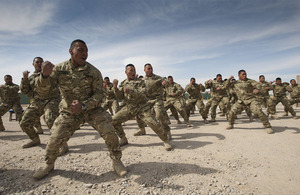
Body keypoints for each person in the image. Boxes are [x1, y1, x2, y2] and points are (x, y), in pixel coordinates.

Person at [32, 39, 126, 180]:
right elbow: (43, 91)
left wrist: (83, 105)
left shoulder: (93, 72)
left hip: (92, 109)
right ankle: (49, 164)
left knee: (109, 130)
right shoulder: (58, 69)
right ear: (71, 51)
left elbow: (100, 94)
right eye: (81, 50)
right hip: (70, 111)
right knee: (54, 139)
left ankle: (116, 161)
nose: (84, 53)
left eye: (86, 51)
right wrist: (44, 76)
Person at [111, 64, 172, 151]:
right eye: (130, 70)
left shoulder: (140, 82)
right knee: (114, 120)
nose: (133, 72)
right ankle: (123, 138)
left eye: (134, 70)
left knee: (154, 124)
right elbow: (120, 96)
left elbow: (142, 94)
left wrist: (130, 91)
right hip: (129, 108)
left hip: (142, 108)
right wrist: (115, 88)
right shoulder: (123, 83)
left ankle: (166, 140)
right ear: (126, 72)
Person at [20, 57, 60, 148]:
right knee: (24, 122)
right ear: (33, 64)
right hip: (37, 101)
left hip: (51, 100)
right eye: (37, 62)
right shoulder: (31, 78)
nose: (39, 63)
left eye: (41, 62)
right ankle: (34, 139)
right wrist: (25, 79)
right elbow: (24, 91)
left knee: (50, 120)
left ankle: (61, 145)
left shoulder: (52, 74)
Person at [225, 70, 273, 134]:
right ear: (239, 75)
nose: (245, 75)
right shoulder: (235, 83)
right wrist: (229, 79)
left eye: (245, 74)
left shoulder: (249, 81)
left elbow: (258, 84)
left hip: (251, 100)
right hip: (241, 101)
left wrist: (257, 89)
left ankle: (267, 126)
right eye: (243, 74)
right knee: (232, 112)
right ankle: (231, 124)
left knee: (258, 111)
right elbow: (225, 86)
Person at [135, 63, 171, 137]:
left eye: (151, 68)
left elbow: (167, 81)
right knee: (137, 113)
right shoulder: (142, 80)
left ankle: (167, 131)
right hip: (147, 100)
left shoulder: (158, 78)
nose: (150, 70)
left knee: (159, 115)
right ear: (144, 70)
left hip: (157, 99)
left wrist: (165, 83)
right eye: (148, 69)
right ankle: (142, 130)